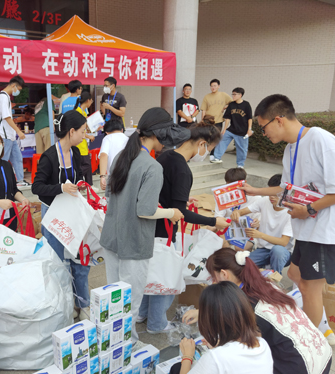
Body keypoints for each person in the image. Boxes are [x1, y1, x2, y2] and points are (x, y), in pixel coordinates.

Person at [241, 94, 335, 343]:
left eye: (263, 127)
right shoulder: (290, 149)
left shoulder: (320, 139)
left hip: (327, 232)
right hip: (308, 230)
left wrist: (310, 209)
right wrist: (254, 190)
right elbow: (286, 188)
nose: (263, 133)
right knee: (294, 274)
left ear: (279, 119)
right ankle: (320, 326)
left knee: (308, 287)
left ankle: (311, 346)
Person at [183, 249, 332, 374]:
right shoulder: (264, 285)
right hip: (321, 356)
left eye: (213, 279)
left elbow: (242, 350)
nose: (213, 283)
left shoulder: (248, 307)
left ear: (224, 274)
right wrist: (201, 312)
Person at [138, 117, 231, 334]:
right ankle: (157, 324)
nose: (206, 154)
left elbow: (163, 193)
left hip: (149, 225)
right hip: (164, 230)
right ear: (201, 144)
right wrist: (213, 221)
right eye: (209, 149)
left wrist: (181, 200)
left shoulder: (165, 156)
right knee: (166, 276)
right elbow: (182, 215)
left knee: (151, 272)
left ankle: (141, 313)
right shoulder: (182, 169)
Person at [100, 107, 184, 343]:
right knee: (130, 303)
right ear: (158, 134)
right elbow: (145, 211)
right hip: (134, 243)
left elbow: (109, 194)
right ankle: (127, 347)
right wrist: (172, 213)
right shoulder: (152, 167)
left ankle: (112, 343)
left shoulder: (121, 157)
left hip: (111, 237)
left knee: (115, 300)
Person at [170, 281, 274, 374]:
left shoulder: (216, 358)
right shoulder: (262, 343)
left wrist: (187, 356)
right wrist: (219, 345)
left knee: (176, 370)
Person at [31, 110, 89, 320]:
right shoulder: (49, 157)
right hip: (54, 215)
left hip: (72, 213)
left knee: (80, 262)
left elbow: (79, 175)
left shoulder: (76, 153)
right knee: (56, 263)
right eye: (82, 131)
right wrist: (61, 188)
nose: (84, 135)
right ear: (71, 131)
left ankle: (83, 304)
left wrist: (80, 184)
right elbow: (37, 187)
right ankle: (61, 306)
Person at [231, 174, 293, 273]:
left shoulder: (291, 212)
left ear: (286, 193)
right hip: (263, 249)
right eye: (269, 193)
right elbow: (243, 211)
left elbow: (283, 242)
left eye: (276, 194)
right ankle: (265, 269)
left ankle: (275, 277)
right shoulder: (264, 201)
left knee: (277, 251)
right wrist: (236, 212)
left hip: (282, 252)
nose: (271, 197)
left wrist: (259, 235)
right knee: (242, 266)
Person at [215, 167, 261, 250]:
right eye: (228, 186)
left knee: (238, 248)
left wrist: (256, 223)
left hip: (247, 233)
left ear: (244, 183)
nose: (231, 190)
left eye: (235, 186)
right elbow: (218, 217)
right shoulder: (223, 196)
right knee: (211, 229)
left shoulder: (256, 198)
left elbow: (258, 223)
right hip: (227, 228)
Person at [0, 75, 30, 187]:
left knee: (17, 158)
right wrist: (18, 131)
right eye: (18, 89)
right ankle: (1, 182)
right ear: (14, 85)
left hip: (10, 135)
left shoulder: (5, 97)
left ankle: (20, 180)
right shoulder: (3, 97)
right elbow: (6, 117)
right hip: (5, 135)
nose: (18, 92)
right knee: (4, 161)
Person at [211, 87, 253, 168]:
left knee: (242, 149)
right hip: (231, 129)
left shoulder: (246, 105)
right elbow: (228, 118)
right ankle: (217, 157)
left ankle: (240, 164)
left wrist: (249, 129)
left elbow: (249, 118)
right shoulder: (231, 104)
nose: (233, 96)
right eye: (232, 94)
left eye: (235, 94)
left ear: (240, 95)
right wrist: (224, 130)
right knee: (222, 140)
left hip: (243, 131)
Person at [200, 79, 232, 161]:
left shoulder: (223, 95)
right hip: (208, 121)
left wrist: (225, 107)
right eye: (211, 86)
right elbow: (203, 110)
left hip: (218, 120)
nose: (213, 87)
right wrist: (202, 121)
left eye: (215, 86)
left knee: (215, 138)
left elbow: (232, 103)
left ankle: (212, 154)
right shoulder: (207, 96)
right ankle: (203, 153)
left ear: (218, 86)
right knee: (207, 138)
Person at [99, 119, 128, 191]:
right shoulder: (127, 138)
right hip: (128, 175)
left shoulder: (108, 138)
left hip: (114, 176)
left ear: (106, 132)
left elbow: (104, 155)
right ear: (122, 130)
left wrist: (102, 176)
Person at [74, 90, 96, 185]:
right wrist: (88, 136)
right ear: (88, 100)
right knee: (86, 164)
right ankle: (76, 178)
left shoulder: (83, 113)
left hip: (83, 143)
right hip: (79, 144)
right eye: (91, 101)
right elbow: (79, 130)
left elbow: (85, 129)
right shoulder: (78, 113)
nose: (91, 103)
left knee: (87, 164)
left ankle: (89, 184)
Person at [34, 88, 55, 154]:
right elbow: (51, 112)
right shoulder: (49, 100)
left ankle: (40, 161)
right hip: (46, 126)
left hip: (37, 129)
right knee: (48, 151)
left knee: (40, 153)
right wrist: (53, 124)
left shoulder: (37, 105)